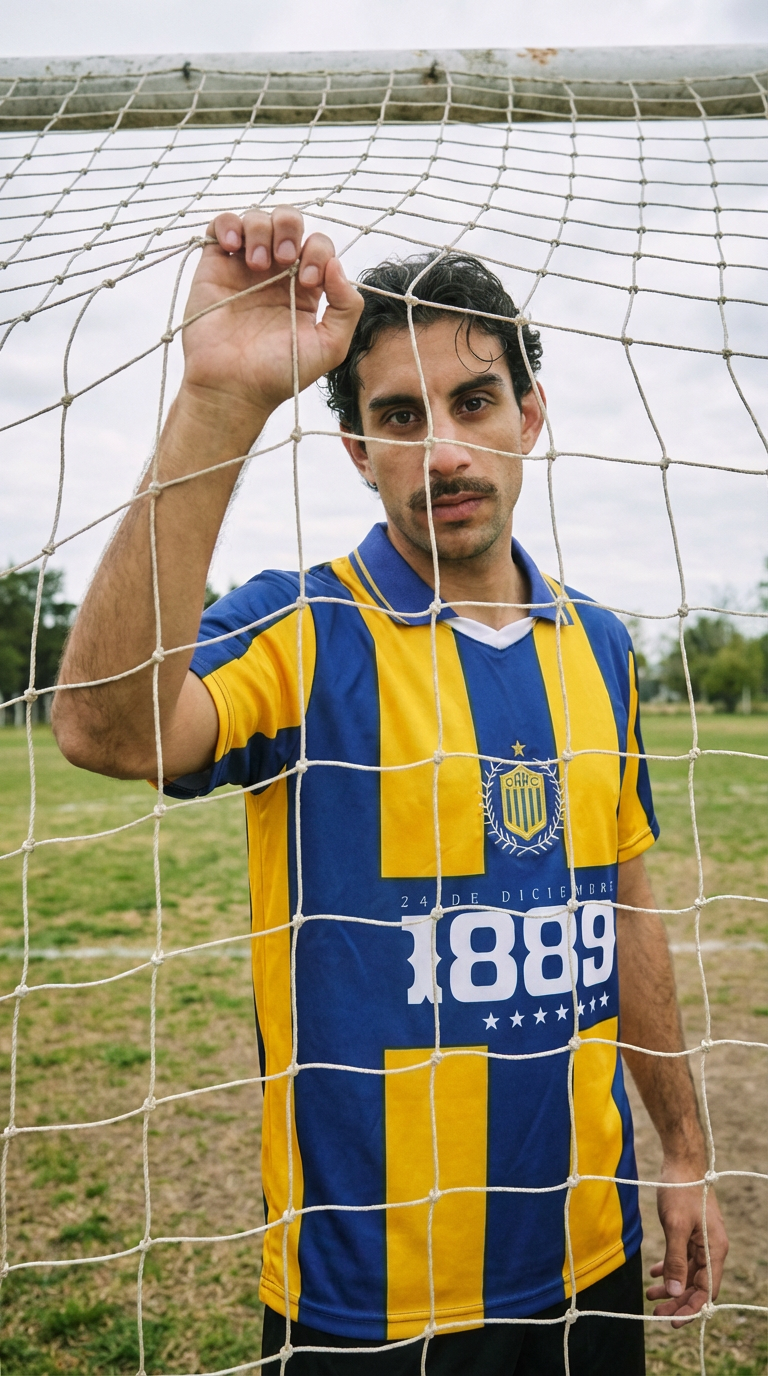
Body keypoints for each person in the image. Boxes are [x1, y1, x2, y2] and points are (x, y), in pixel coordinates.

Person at [53, 207, 728, 1375]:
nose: (445, 451)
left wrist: (681, 1146)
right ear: (359, 452)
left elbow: (623, 907)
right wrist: (221, 397)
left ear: (531, 415)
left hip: (589, 1252)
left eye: (473, 402)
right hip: (368, 1299)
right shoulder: (302, 627)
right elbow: (106, 728)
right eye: (399, 418)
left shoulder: (604, 646)